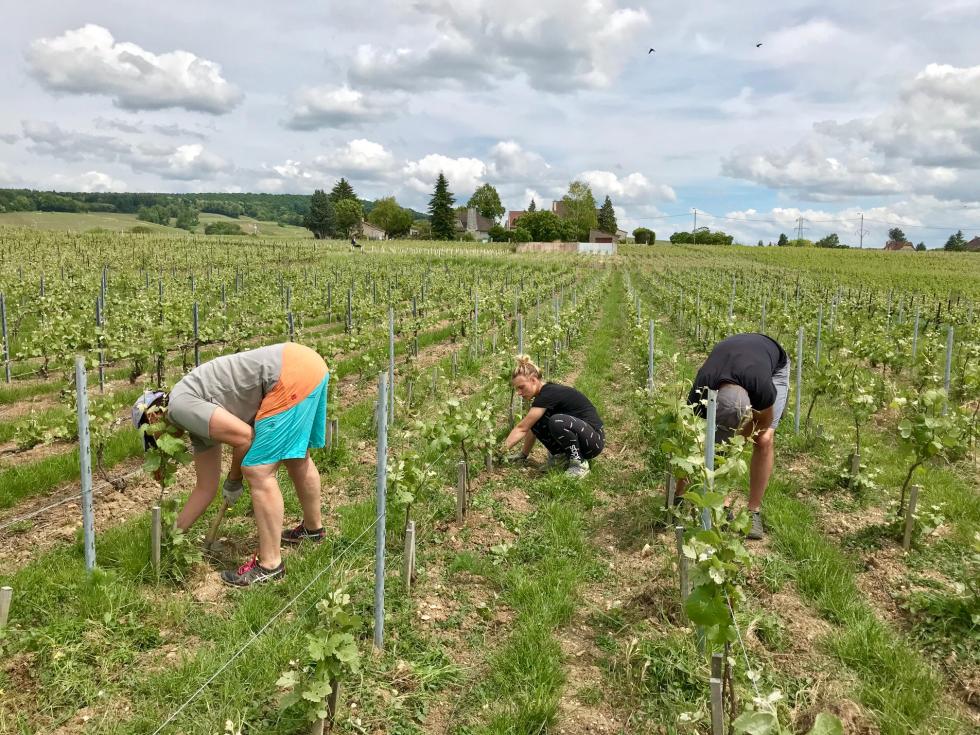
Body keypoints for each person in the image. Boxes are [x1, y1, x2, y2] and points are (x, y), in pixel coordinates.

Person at [132, 342, 330, 586]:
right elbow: (205, 488)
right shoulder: (192, 414)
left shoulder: (179, 407)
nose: (162, 443)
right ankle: (313, 530)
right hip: (306, 364)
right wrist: (170, 538)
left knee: (258, 470)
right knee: (296, 458)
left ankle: (269, 565)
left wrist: (235, 479)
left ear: (154, 418)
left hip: (289, 374)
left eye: (155, 437)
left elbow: (246, 438)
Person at [675, 332, 789, 539]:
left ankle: (753, 511)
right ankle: (723, 503)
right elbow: (691, 442)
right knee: (709, 444)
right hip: (730, 354)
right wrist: (679, 498)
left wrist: (731, 449)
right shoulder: (701, 389)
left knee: (763, 440)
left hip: (771, 358)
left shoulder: (762, 390)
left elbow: (761, 425)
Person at [501, 355, 604, 478]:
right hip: (585, 437)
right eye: (517, 389)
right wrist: (523, 455)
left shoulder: (547, 394)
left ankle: (579, 464)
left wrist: (499, 452)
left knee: (557, 421)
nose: (519, 392)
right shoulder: (543, 396)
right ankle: (562, 458)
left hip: (593, 441)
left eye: (521, 387)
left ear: (533, 380)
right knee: (537, 421)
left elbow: (522, 428)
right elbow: (530, 428)